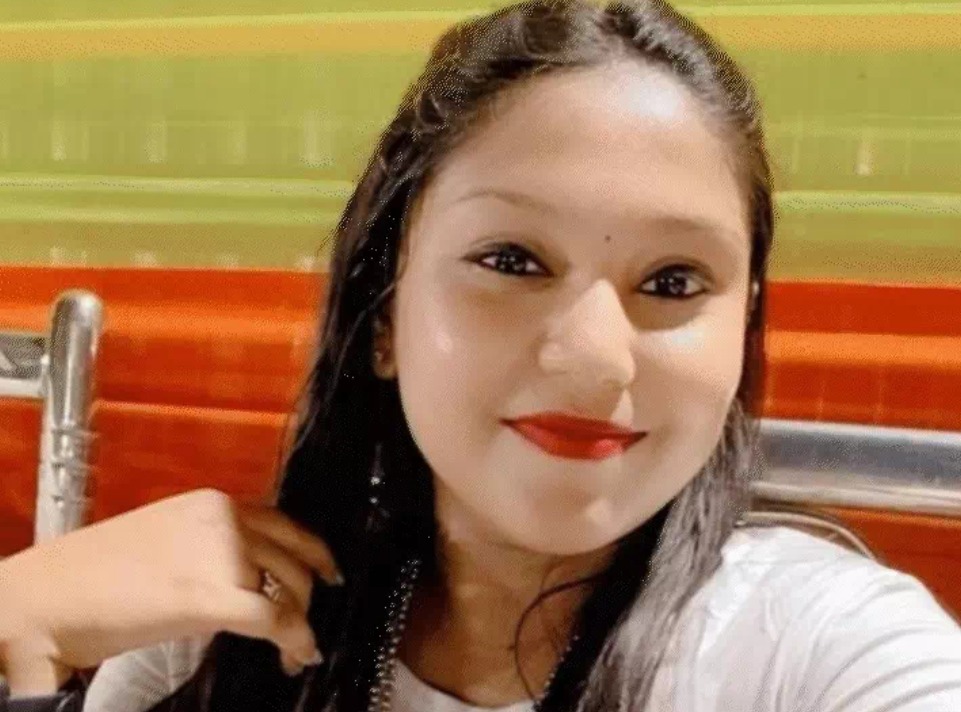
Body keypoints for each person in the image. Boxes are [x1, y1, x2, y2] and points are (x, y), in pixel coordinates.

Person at [1, 1, 960, 711]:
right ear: (384, 313)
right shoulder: (218, 632)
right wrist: (18, 623)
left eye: (673, 281)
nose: (596, 361)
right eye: (511, 261)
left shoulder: (818, 650)